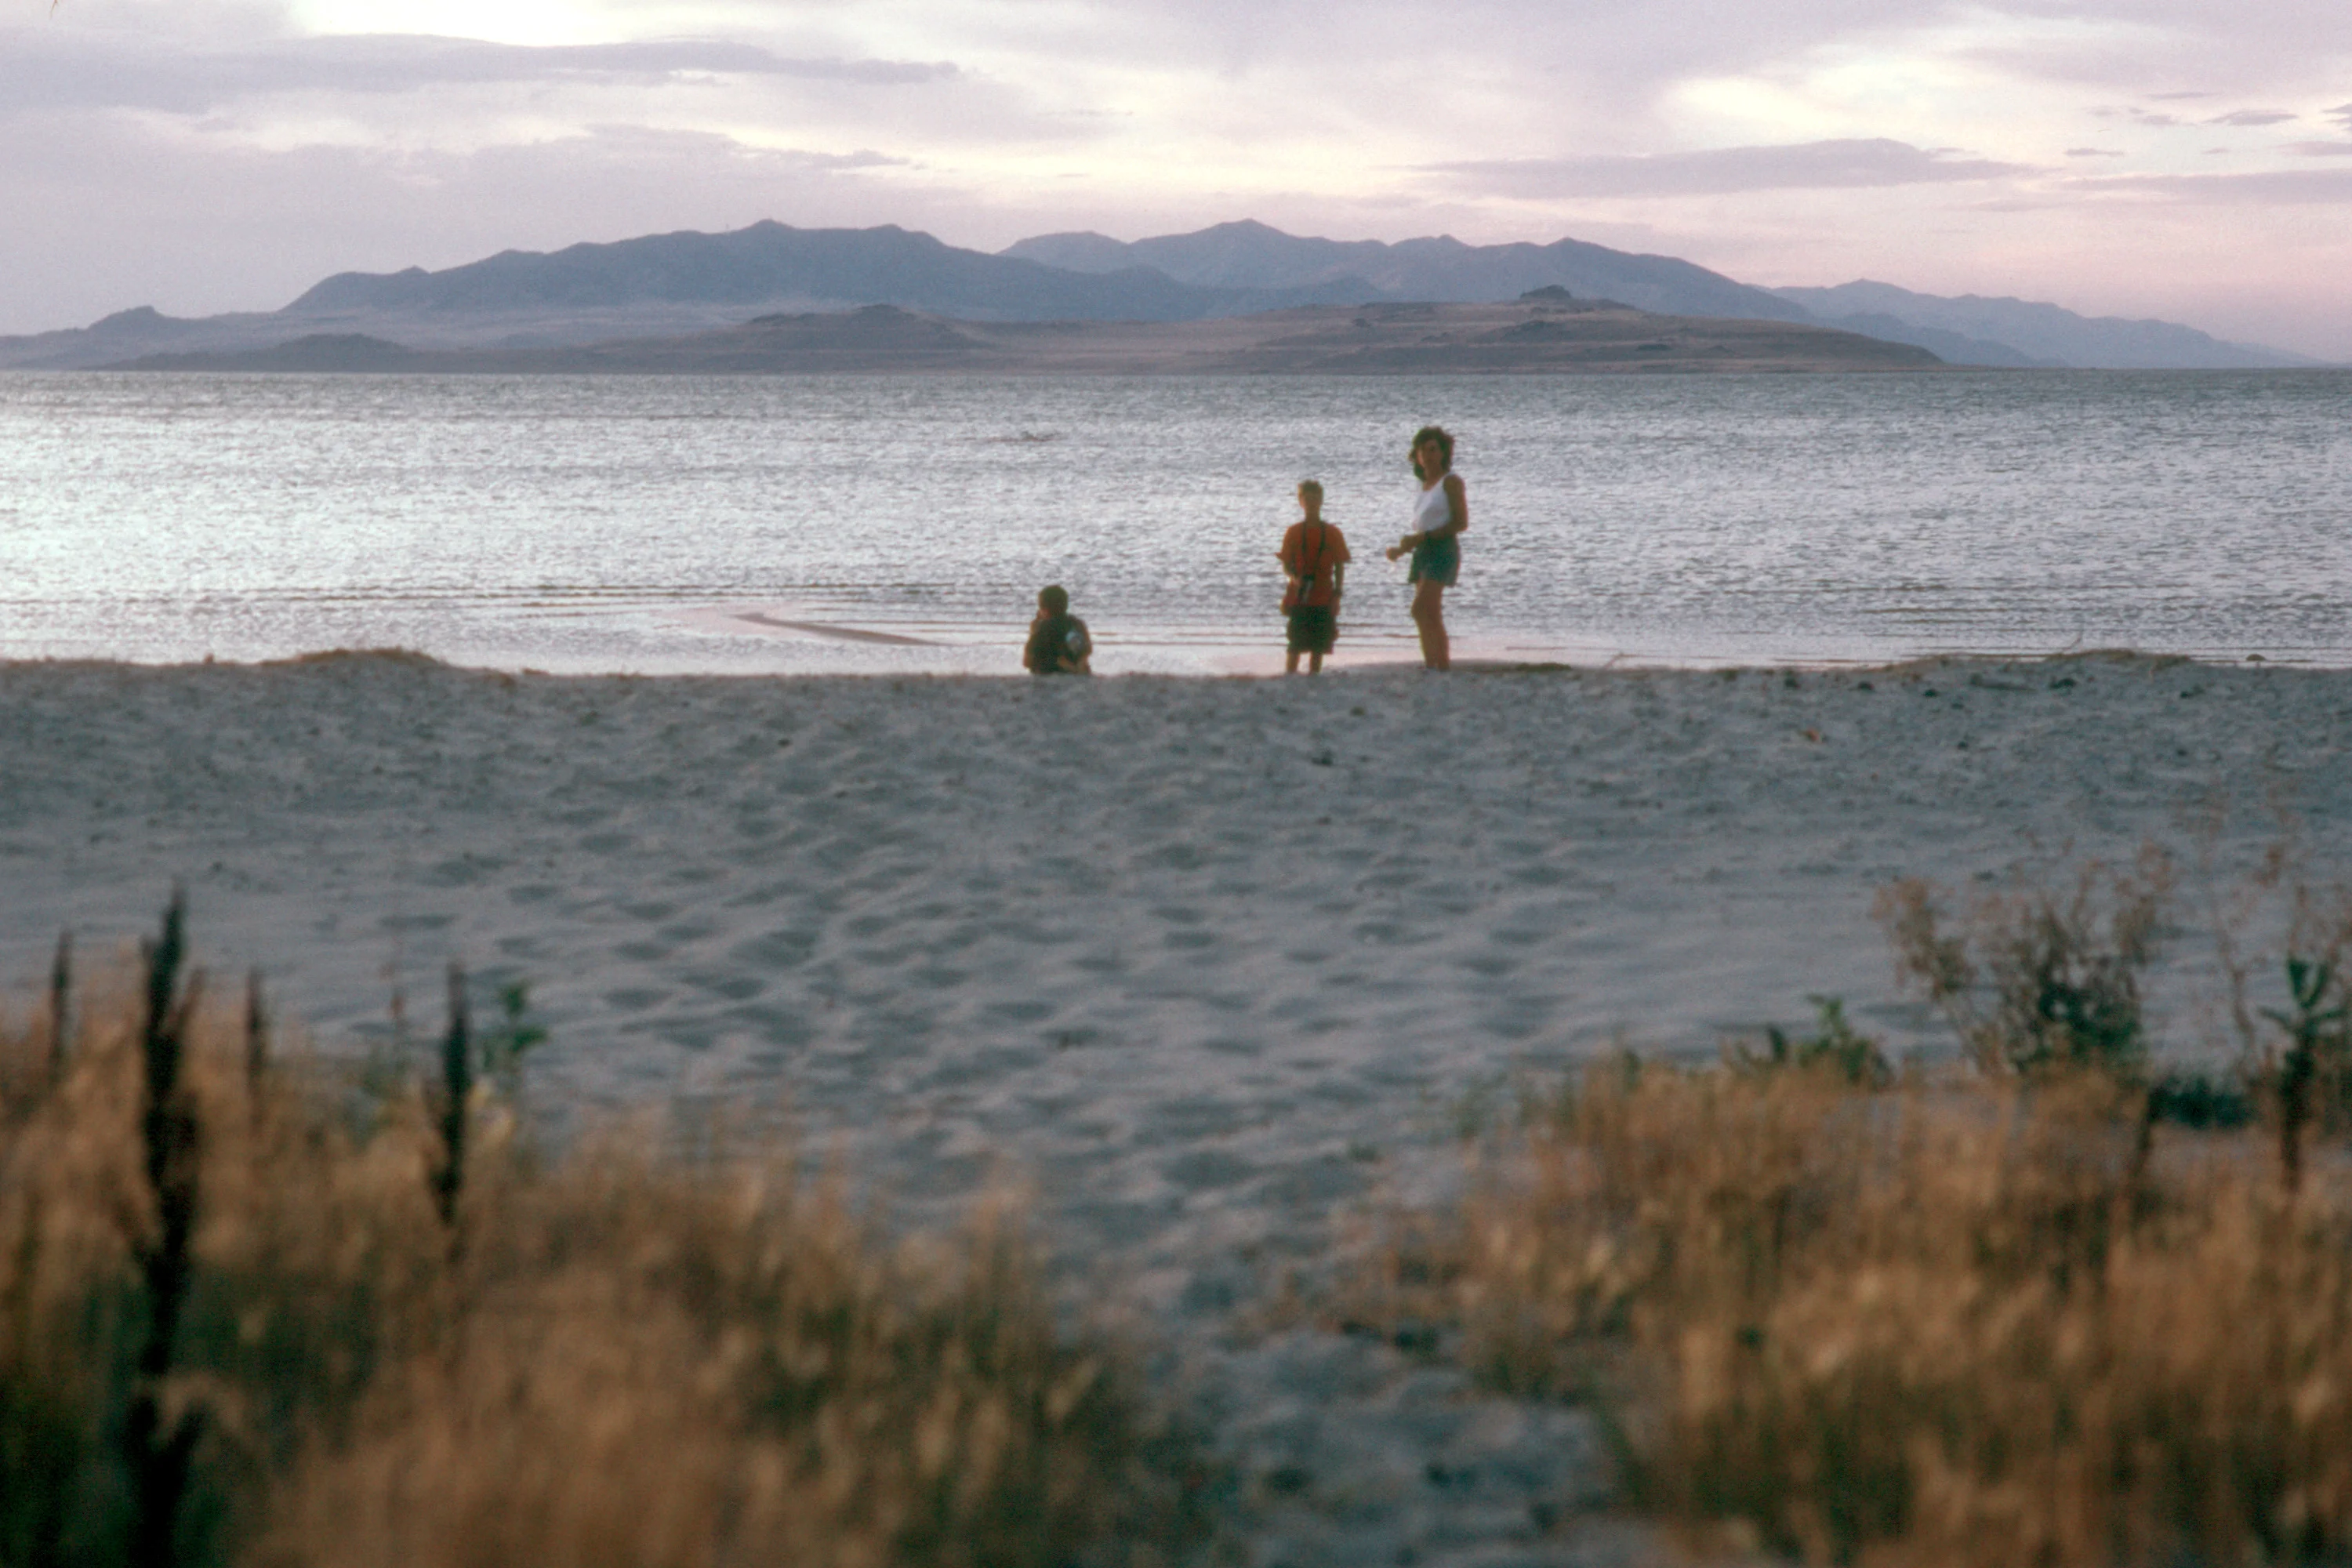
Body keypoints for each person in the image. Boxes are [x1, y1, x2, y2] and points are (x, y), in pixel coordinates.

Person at [1384, 425, 1468, 670]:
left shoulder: (1450, 482)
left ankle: (1441, 665)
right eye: (1423, 450)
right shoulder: (1422, 486)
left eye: (1433, 449)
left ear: (1442, 453)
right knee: (1428, 613)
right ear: (1417, 456)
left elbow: (1461, 523)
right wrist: (1402, 549)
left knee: (1421, 609)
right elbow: (1422, 527)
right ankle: (1434, 665)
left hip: (1442, 549)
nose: (1428, 455)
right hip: (1423, 550)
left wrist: (1423, 538)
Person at [1277, 479, 1350, 674]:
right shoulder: (1293, 532)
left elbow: (1340, 565)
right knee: (1295, 644)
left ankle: (1314, 678)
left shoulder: (1333, 533)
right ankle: (1290, 677)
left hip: (1323, 595)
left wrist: (1338, 594)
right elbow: (1285, 564)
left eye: (1315, 499)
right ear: (1300, 501)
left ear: (1321, 501)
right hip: (1299, 595)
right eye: (1307, 499)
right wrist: (1294, 578)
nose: (1311, 503)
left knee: (1319, 646)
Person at [1022, 583, 1093, 675]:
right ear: (1066, 605)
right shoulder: (1077, 624)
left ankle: (1066, 665)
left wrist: (1033, 632)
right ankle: (1073, 667)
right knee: (1078, 653)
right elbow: (1086, 650)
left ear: (1044, 609)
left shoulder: (1042, 627)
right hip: (1076, 668)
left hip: (1050, 672)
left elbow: (1027, 662)